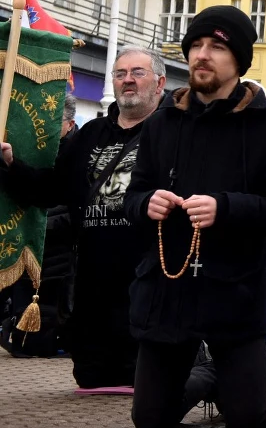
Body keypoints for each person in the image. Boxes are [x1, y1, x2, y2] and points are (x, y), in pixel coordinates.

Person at [124, 8, 266, 428]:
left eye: (216, 47)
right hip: (168, 290)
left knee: (245, 424)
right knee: (149, 422)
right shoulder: (161, 123)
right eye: (195, 45)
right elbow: (132, 197)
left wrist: (226, 208)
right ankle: (211, 378)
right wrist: (146, 203)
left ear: (239, 60)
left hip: (233, 291)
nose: (202, 55)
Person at [0, 47, 168, 386]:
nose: (128, 80)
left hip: (148, 276)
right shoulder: (91, 134)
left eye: (138, 72)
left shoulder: (175, 132)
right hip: (92, 280)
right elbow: (52, 189)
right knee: (92, 379)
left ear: (160, 83)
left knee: (142, 379)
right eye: (120, 74)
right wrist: (11, 165)